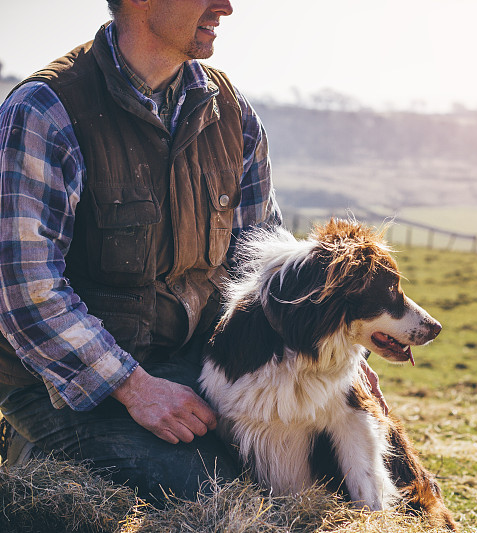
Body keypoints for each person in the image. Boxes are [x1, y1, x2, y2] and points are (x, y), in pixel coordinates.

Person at [0, 0, 386, 502]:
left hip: (193, 364)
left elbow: (260, 262)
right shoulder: (45, 112)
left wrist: (323, 346)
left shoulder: (233, 114)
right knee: (213, 492)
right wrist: (135, 389)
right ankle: (34, 462)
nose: (226, 6)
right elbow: (25, 291)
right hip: (66, 388)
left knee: (331, 450)